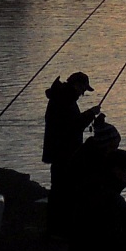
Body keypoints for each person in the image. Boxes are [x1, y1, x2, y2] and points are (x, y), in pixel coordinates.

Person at [41, 71, 101, 238]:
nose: (82, 93)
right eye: (83, 89)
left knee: (59, 191)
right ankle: (59, 231)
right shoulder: (65, 100)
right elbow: (73, 126)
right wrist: (91, 113)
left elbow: (71, 124)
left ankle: (56, 229)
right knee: (64, 192)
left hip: (59, 152)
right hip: (64, 153)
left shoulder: (62, 97)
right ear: (77, 85)